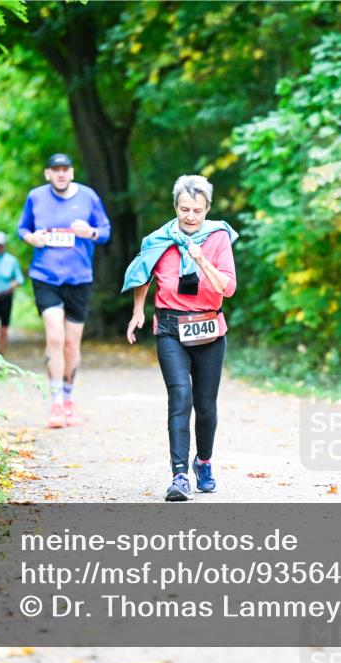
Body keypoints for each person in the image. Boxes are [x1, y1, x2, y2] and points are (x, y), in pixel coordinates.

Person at [124, 175, 237, 501]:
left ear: (208, 209)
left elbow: (227, 288)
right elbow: (142, 274)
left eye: (198, 210)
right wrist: (137, 310)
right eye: (185, 209)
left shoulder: (217, 238)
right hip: (170, 328)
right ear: (175, 207)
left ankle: (203, 462)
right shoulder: (159, 239)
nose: (191, 216)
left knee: (205, 406)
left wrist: (201, 259)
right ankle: (179, 476)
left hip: (209, 329)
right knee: (180, 399)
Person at [18, 153, 111, 428]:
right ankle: (56, 403)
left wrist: (90, 232)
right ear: (47, 174)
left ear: (71, 172)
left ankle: (69, 399)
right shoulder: (35, 197)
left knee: (72, 344)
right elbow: (22, 228)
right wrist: (31, 238)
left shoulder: (88, 197)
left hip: (79, 278)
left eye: (65, 169)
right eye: (55, 170)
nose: (60, 174)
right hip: (45, 276)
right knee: (55, 338)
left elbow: (105, 231)